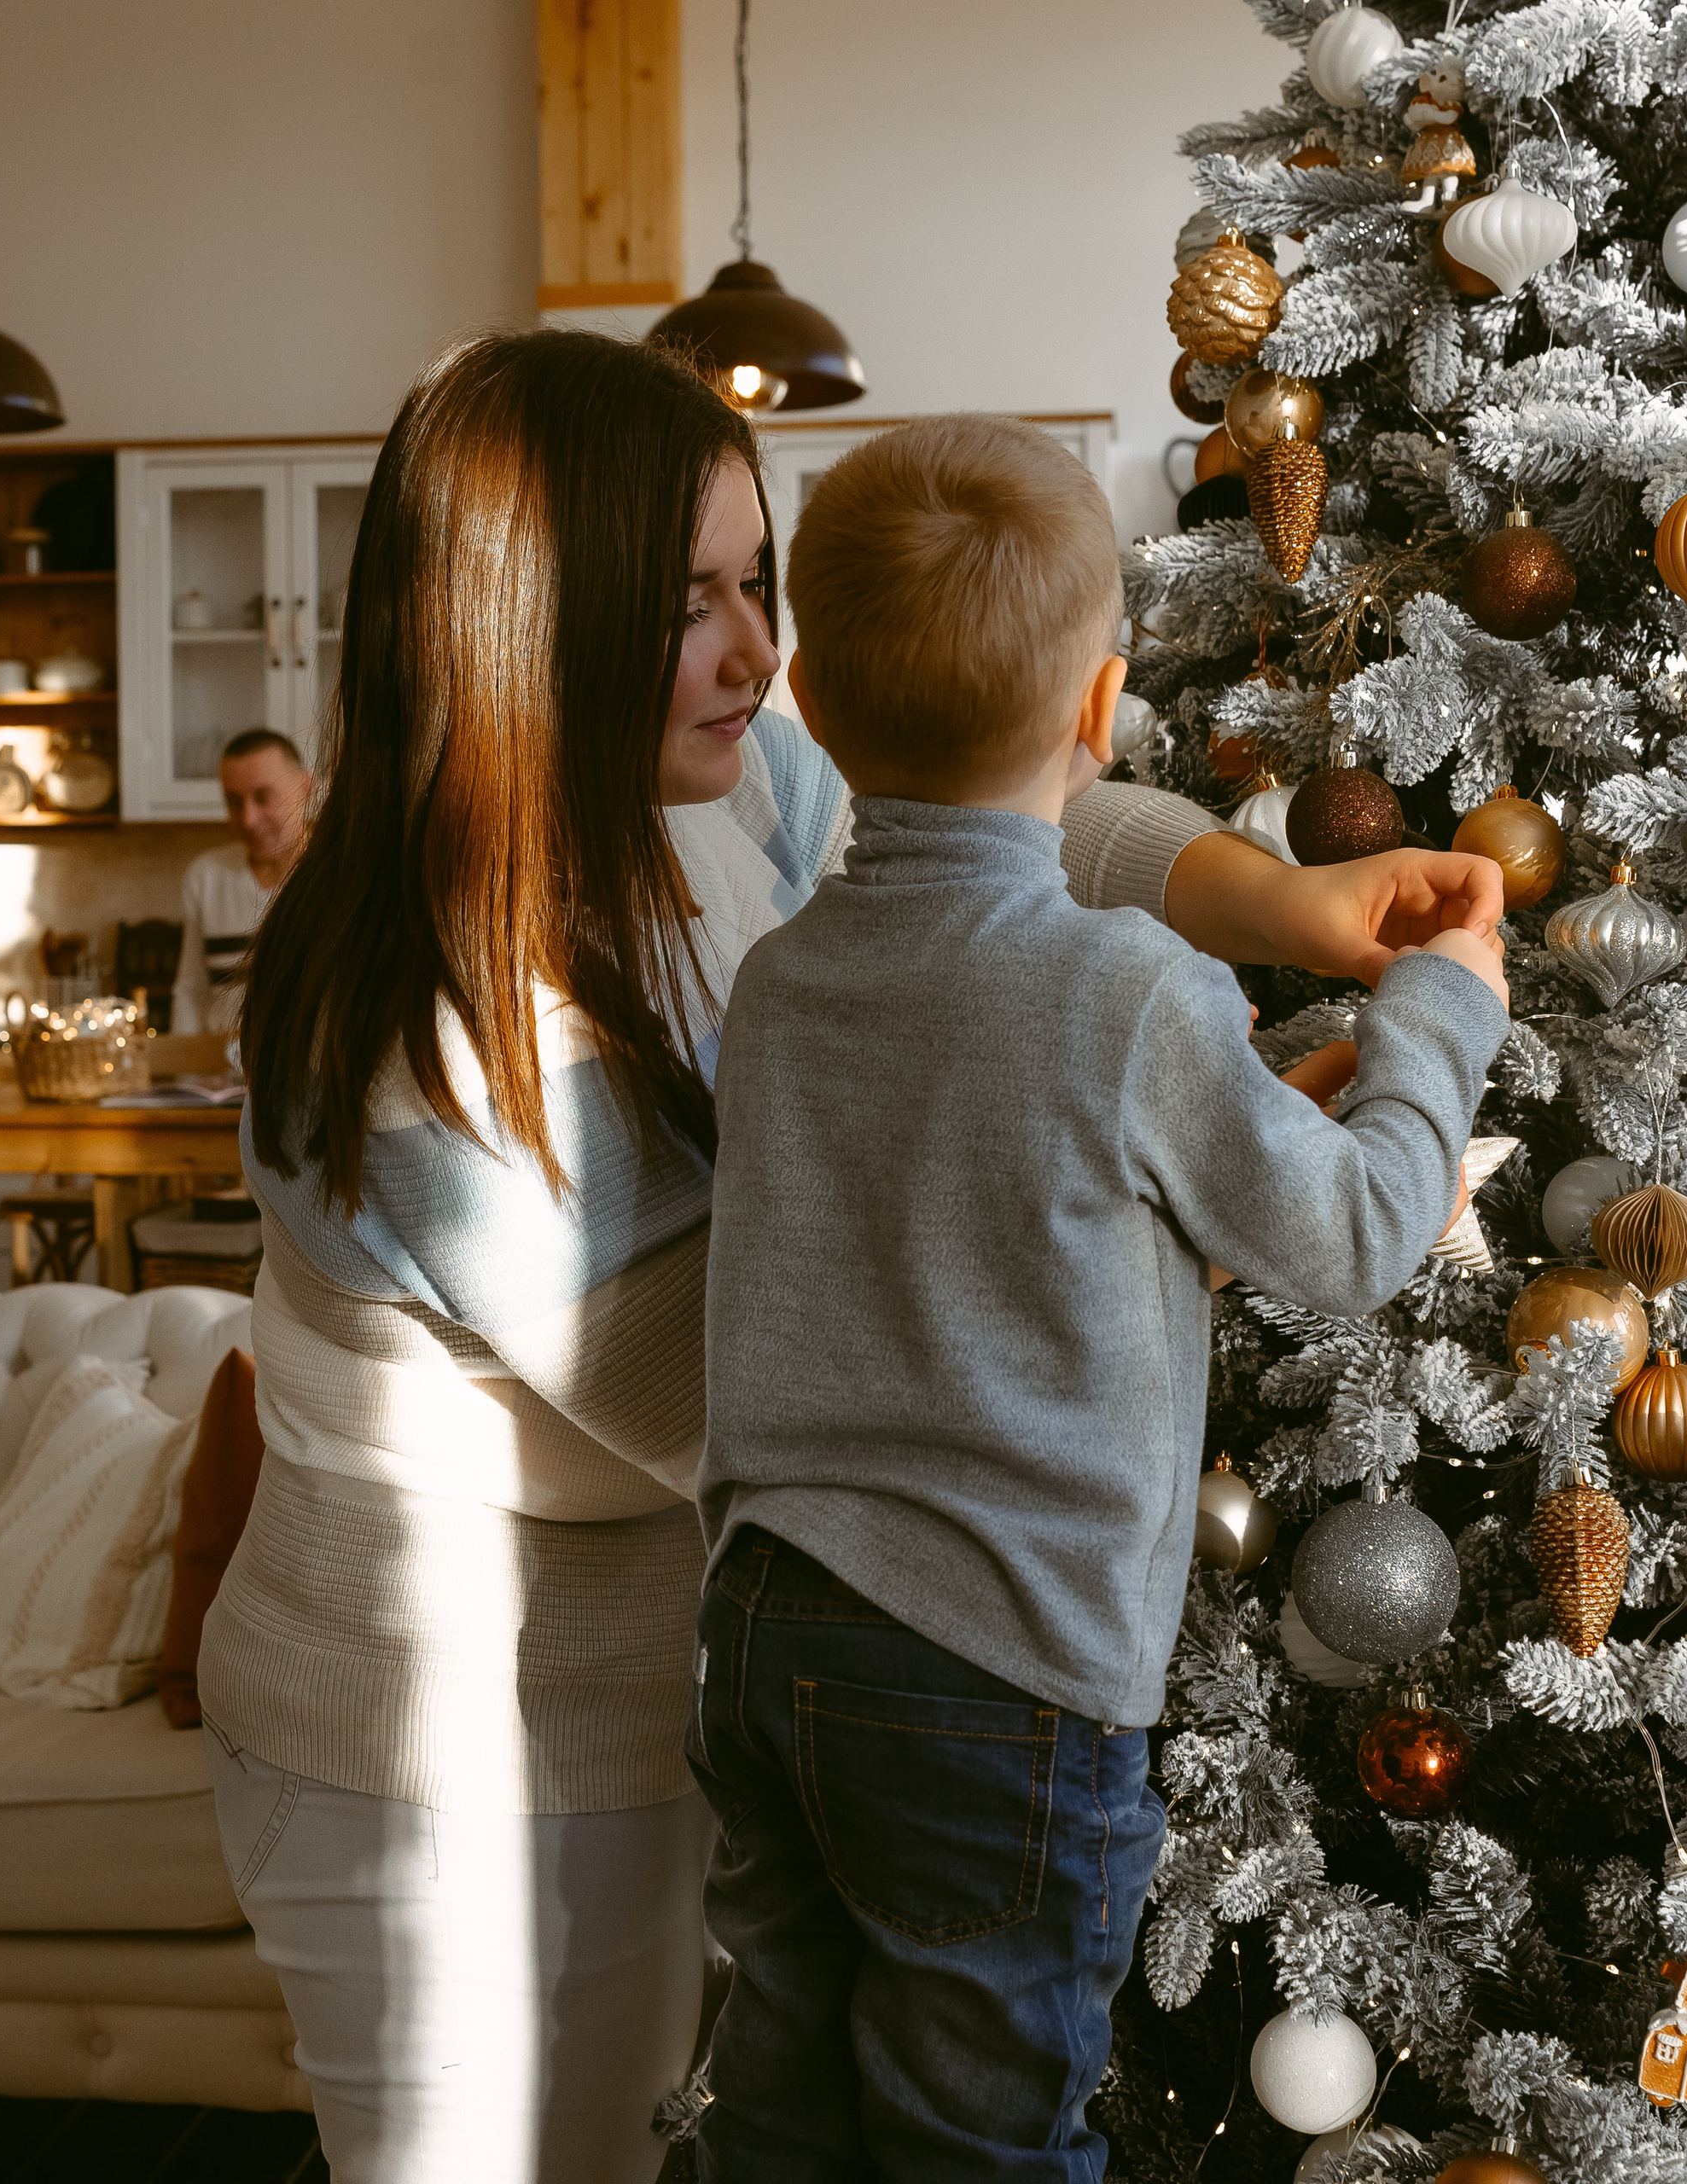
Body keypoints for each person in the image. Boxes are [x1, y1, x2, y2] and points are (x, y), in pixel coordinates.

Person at [199, 329, 1506, 2184]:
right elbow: (793, 1352)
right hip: (445, 1741)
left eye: (759, 584)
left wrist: (1274, 898)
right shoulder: (443, 1035)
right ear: (528, 630)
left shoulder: (731, 799)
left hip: (742, 1669)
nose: (757, 657)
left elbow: (1029, 804)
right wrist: (1209, 1166)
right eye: (691, 606)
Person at [689, 415, 1512, 2181]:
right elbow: (1356, 1232)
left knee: (780, 2111)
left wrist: (1179, 1176)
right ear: (1100, 702)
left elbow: (953, 1219)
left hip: (763, 1629)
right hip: (991, 1663)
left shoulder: (782, 978)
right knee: (979, 2133)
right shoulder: (1126, 993)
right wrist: (1439, 1011)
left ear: (811, 705)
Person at [170, 727, 313, 1036]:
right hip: (222, 1074)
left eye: (263, 797)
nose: (248, 819)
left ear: (305, 789)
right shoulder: (205, 876)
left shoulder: (338, 873)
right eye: (234, 802)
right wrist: (186, 1080)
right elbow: (191, 991)